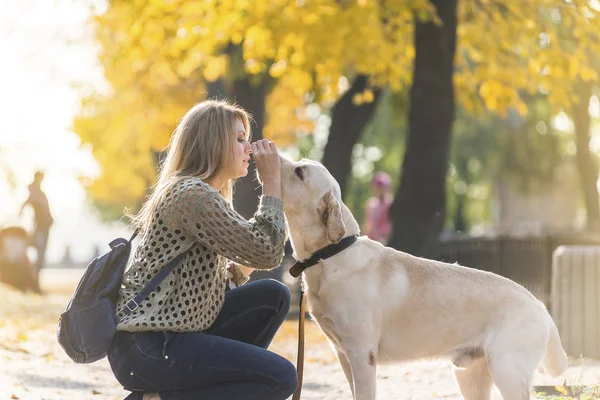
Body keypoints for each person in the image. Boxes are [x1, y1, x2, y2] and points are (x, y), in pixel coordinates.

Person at [108, 100, 297, 400]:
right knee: (281, 378)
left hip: (174, 336)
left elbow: (210, 286)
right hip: (149, 346)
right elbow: (269, 253)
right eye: (238, 139)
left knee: (273, 297)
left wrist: (246, 254)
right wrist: (273, 182)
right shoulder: (192, 195)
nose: (248, 148)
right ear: (214, 142)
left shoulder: (201, 194)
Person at [19, 171, 53, 283]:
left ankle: (34, 280)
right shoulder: (35, 192)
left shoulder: (38, 192)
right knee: (38, 253)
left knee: (39, 254)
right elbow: (27, 202)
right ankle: (32, 279)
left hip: (43, 227)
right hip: (40, 228)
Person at [364, 171, 393, 245]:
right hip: (372, 239)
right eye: (378, 187)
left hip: (385, 240)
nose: (380, 190)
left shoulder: (389, 203)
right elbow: (369, 224)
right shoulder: (371, 204)